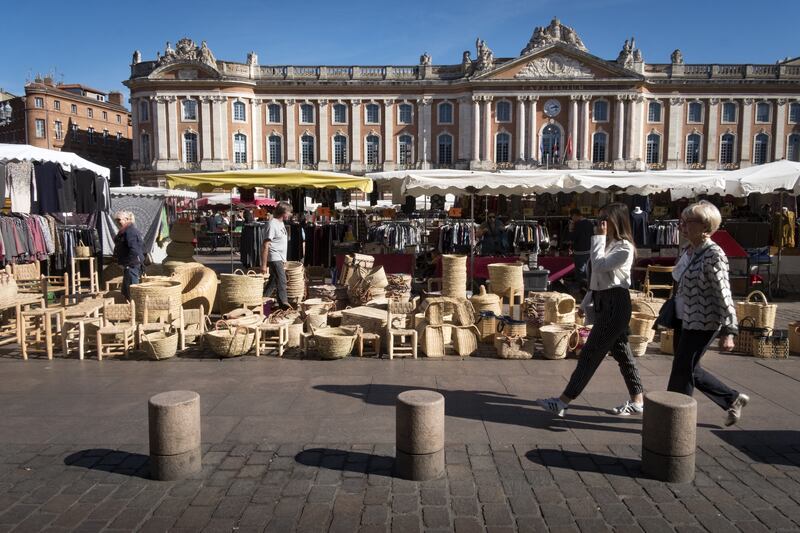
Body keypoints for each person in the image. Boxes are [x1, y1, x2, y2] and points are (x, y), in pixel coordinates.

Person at [537, 203, 645, 417]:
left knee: (590, 353)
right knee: (623, 353)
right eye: (599, 218)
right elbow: (597, 279)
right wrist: (586, 302)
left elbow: (599, 265)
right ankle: (638, 400)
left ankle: (563, 401)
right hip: (604, 300)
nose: (600, 223)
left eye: (605, 218)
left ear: (616, 220)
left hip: (616, 303)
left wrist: (598, 238)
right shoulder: (608, 244)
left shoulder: (624, 248)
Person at [668, 201, 748, 426]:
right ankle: (732, 399)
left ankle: (674, 418)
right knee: (687, 368)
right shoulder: (690, 250)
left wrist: (729, 330)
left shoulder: (714, 254)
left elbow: (724, 293)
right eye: (681, 221)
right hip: (684, 318)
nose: (682, 226)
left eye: (687, 222)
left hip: (703, 320)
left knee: (682, 369)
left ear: (705, 225)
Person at [261, 202, 292, 310]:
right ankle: (284, 304)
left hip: (279, 257)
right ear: (283, 212)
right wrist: (264, 265)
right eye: (289, 212)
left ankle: (261, 301)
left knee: (273, 282)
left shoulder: (281, 223)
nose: (290, 214)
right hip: (274, 257)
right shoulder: (272, 224)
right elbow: (265, 244)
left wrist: (284, 259)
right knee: (282, 281)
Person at [112, 210, 144, 301]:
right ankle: (129, 305)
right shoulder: (125, 230)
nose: (117, 222)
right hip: (129, 263)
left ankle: (135, 307)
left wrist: (130, 264)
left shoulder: (130, 231)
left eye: (119, 220)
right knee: (127, 288)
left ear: (126, 219)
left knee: (132, 288)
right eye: (116, 220)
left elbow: (134, 249)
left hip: (132, 263)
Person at [568, 208, 594, 291]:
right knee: (588, 271)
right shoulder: (590, 223)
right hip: (589, 250)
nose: (572, 219)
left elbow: (573, 238)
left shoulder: (577, 224)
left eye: (572, 217)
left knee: (580, 272)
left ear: (575, 215)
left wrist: (571, 229)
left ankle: (582, 289)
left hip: (580, 251)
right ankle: (588, 288)